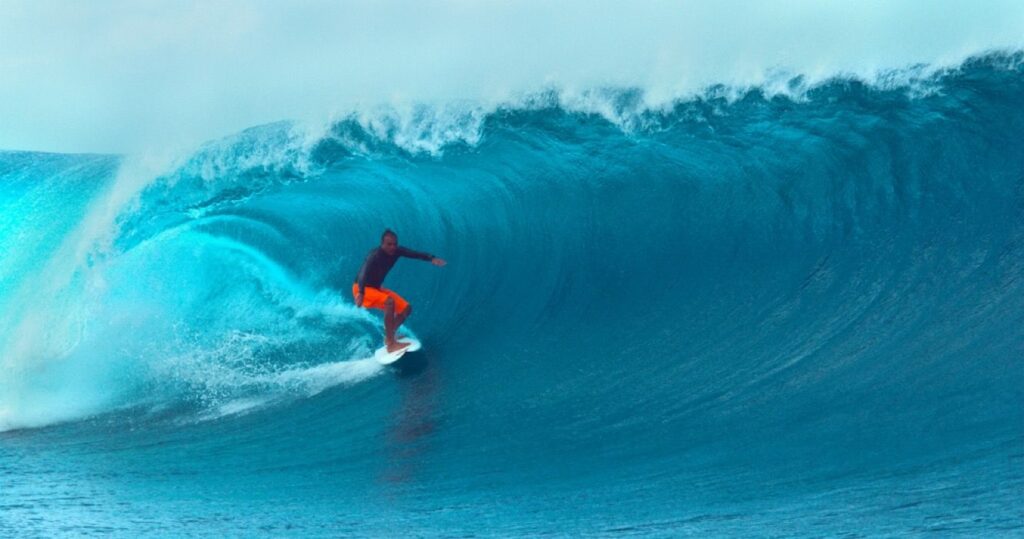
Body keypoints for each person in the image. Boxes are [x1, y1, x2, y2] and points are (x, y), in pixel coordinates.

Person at [353, 229, 446, 352]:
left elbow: (414, 254)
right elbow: (363, 272)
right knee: (389, 302)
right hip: (361, 288)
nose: (393, 247)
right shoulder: (374, 255)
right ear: (382, 244)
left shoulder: (397, 251)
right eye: (389, 244)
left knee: (406, 309)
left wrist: (431, 258)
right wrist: (361, 292)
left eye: (395, 244)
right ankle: (391, 344)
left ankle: (389, 335)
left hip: (376, 289)